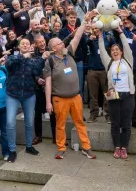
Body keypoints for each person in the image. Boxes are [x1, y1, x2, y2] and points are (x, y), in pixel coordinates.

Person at [45, 12, 97, 160]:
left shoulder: (70, 52)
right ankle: (61, 148)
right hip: (59, 99)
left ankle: (86, 147)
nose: (63, 44)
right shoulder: (49, 62)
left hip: (76, 97)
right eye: (59, 44)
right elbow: (48, 83)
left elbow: (77, 36)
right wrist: (48, 102)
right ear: (54, 48)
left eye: (62, 43)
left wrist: (86, 20)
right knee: (60, 125)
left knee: (80, 122)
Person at [5, 38, 46, 163]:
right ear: (19, 46)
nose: (25, 45)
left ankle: (29, 146)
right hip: (12, 94)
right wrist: (24, 56)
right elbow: (8, 65)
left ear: (30, 46)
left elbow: (36, 71)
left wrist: (43, 59)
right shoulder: (12, 57)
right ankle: (12, 150)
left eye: (27, 43)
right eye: (23, 43)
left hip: (29, 94)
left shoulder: (33, 60)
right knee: (10, 122)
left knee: (29, 122)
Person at [98, 25, 134, 160]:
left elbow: (127, 46)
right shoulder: (109, 63)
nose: (114, 52)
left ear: (121, 51)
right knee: (115, 123)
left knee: (126, 123)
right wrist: (100, 36)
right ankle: (117, 147)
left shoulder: (128, 61)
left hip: (128, 95)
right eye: (112, 50)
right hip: (114, 96)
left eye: (117, 49)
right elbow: (102, 51)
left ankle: (124, 147)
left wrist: (121, 33)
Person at [86, 26, 112, 123]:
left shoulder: (108, 37)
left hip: (105, 70)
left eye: (97, 28)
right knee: (93, 95)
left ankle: (108, 115)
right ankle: (93, 114)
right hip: (92, 70)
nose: (95, 30)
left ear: (101, 28)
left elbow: (114, 48)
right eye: (94, 29)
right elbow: (85, 43)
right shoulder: (91, 38)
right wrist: (90, 39)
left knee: (108, 94)